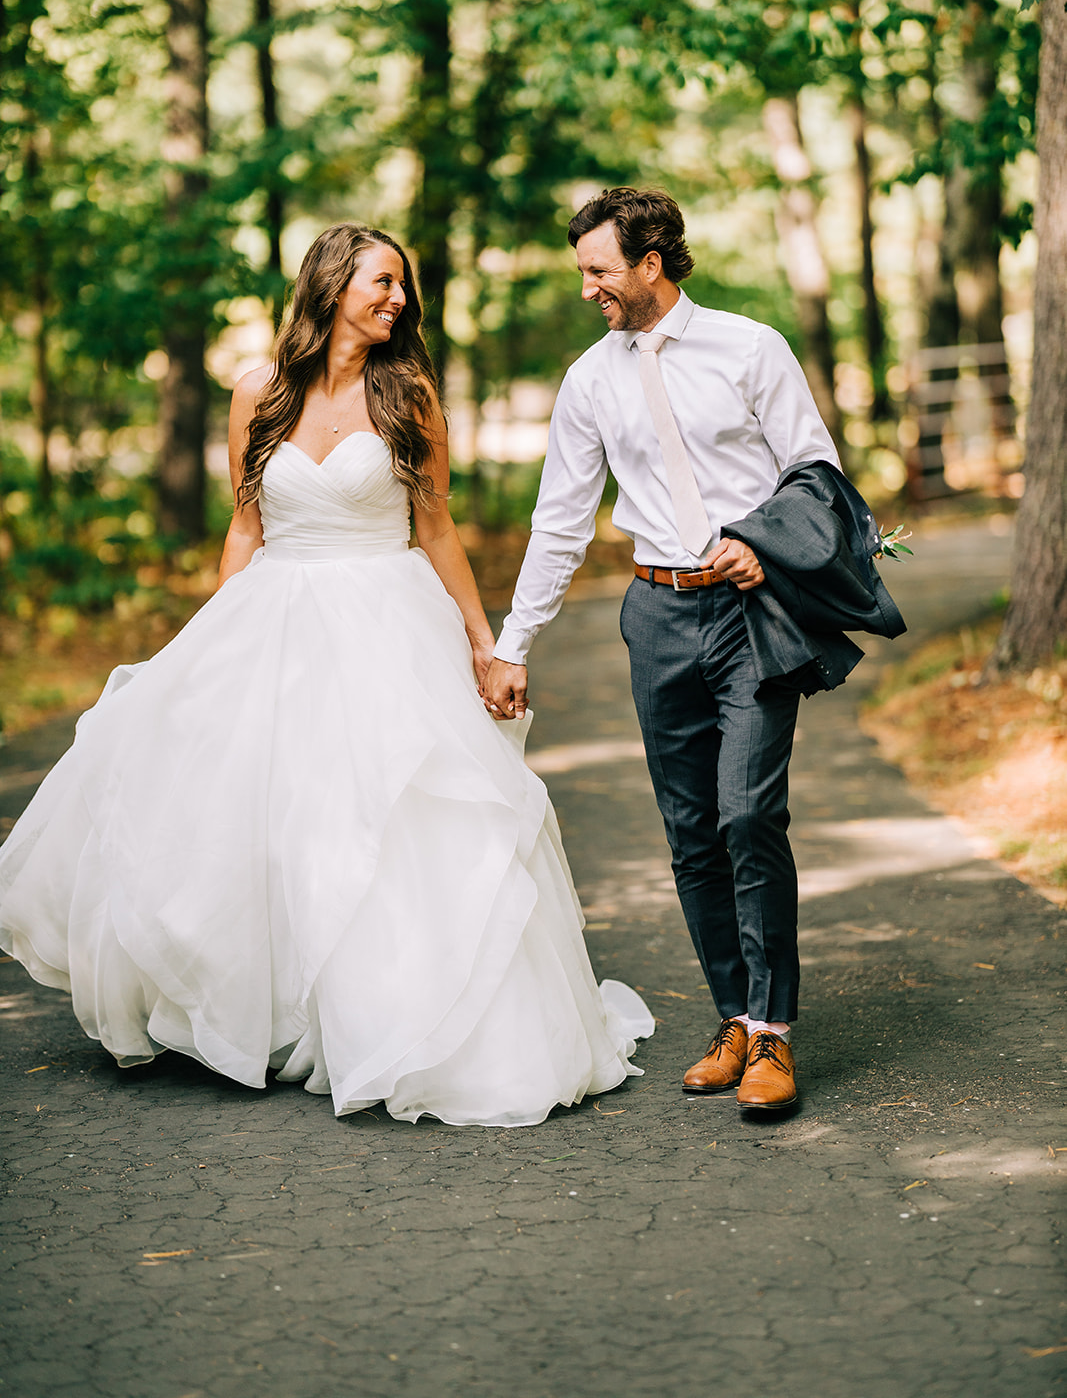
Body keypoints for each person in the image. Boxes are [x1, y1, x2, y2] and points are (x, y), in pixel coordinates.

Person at [0, 223, 652, 1127]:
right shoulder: (256, 392)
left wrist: (483, 642)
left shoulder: (408, 395)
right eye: (382, 282)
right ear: (330, 284)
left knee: (388, 819)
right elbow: (244, 528)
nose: (398, 300)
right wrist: (208, 645)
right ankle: (275, 1016)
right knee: (269, 815)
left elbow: (434, 529)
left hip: (388, 621)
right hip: (274, 616)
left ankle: (394, 1018)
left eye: (403, 288)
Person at [482, 187, 884, 1112]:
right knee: (692, 835)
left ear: (651, 263)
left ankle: (776, 1036)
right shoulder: (589, 380)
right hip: (654, 615)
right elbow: (558, 522)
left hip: (749, 612)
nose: (588, 288)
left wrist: (759, 540)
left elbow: (813, 469)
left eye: (598, 270)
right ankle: (735, 1020)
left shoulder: (749, 348)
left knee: (747, 814)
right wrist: (513, 644)